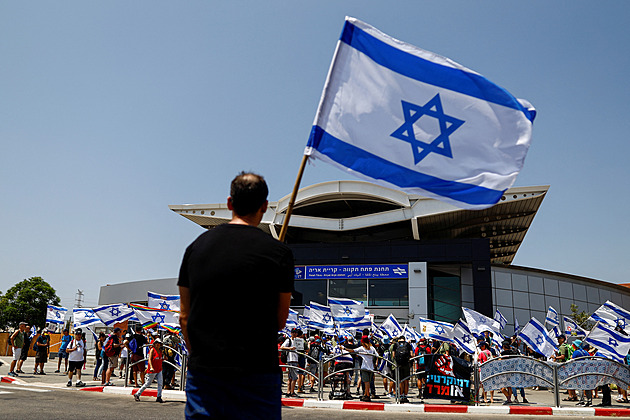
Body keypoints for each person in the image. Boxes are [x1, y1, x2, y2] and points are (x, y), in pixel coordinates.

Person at [178, 172, 294, 420]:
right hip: (258, 373)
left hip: (205, 374)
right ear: (265, 206)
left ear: (230, 203)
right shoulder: (279, 253)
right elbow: (281, 319)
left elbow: (184, 316)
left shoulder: (195, 249)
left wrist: (198, 355)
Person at [345, 337, 379, 402]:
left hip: (364, 367)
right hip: (371, 367)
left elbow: (352, 350)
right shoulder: (372, 348)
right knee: (368, 381)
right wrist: (376, 363)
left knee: (366, 382)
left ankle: (367, 395)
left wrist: (344, 349)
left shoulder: (362, 348)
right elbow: (377, 355)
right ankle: (366, 394)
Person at [134, 338, 164, 403]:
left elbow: (161, 359)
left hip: (159, 369)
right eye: (157, 343)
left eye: (159, 344)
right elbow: (149, 359)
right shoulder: (152, 350)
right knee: (148, 383)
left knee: (160, 383)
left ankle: (159, 397)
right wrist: (151, 367)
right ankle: (137, 394)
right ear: (155, 344)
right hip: (153, 370)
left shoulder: (160, 351)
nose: (158, 345)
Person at [391, 336, 413, 403]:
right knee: (406, 381)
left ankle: (400, 395)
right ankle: (405, 396)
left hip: (399, 364)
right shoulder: (408, 344)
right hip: (406, 364)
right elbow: (412, 354)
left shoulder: (395, 345)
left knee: (400, 380)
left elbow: (394, 355)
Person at [280, 328, 300, 397]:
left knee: (290, 377)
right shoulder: (288, 340)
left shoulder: (297, 341)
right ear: (291, 333)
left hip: (295, 359)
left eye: (295, 332)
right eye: (293, 332)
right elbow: (282, 347)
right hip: (291, 359)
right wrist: (290, 349)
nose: (294, 333)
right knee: (294, 377)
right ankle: (291, 392)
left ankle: (289, 391)